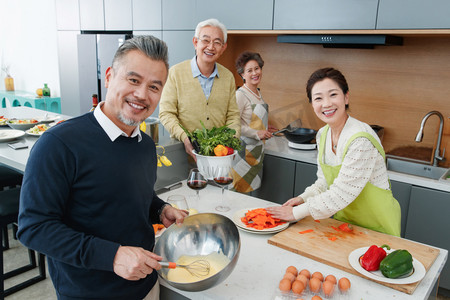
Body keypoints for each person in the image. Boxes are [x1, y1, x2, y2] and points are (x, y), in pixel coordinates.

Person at [17, 36, 188, 300]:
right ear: (109, 77)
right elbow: (35, 228)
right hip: (89, 293)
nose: (142, 94)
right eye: (133, 80)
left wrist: (159, 209)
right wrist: (113, 256)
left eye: (154, 86)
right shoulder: (58, 144)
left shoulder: (143, 144)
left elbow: (129, 196)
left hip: (147, 285)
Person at [267, 67, 401, 236]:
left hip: (377, 227)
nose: (326, 103)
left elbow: (341, 193)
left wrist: (295, 213)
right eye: (318, 98)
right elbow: (324, 183)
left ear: (346, 97)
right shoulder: (323, 135)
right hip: (345, 224)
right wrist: (303, 198)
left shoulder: (360, 139)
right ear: (312, 104)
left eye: (333, 95)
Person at [159, 18, 241, 161]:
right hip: (182, 156)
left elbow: (233, 116)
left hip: (218, 157)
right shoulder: (175, 73)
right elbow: (166, 113)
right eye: (206, 40)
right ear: (195, 42)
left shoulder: (228, 77)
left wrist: (230, 142)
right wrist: (185, 138)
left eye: (217, 42)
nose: (211, 47)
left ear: (223, 47)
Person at [231, 51, 278, 193]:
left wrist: (264, 127)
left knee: (251, 195)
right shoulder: (240, 94)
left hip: (256, 153)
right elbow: (234, 125)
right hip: (242, 153)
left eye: (257, 68)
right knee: (239, 193)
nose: (254, 73)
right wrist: (257, 132)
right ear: (242, 74)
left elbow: (251, 119)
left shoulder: (258, 93)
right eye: (249, 70)